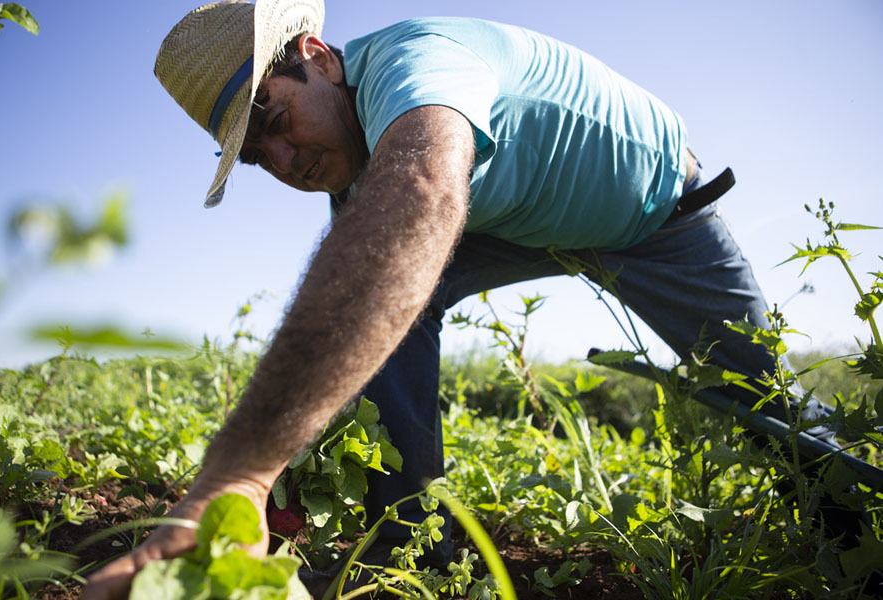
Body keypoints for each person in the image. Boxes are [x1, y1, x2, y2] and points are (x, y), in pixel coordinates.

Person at [82, 0, 843, 598]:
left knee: (764, 391)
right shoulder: (352, 176)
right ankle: (408, 546)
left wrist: (236, 473)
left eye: (277, 120)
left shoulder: (415, 66)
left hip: (651, 208)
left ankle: (850, 540)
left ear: (316, 56)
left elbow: (420, 188)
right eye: (256, 158)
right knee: (381, 304)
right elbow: (353, 315)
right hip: (510, 221)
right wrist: (275, 489)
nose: (282, 161)